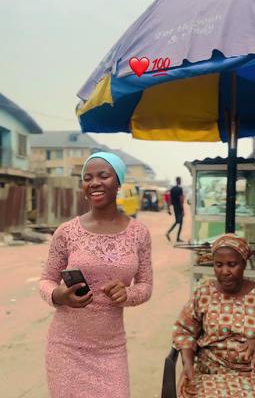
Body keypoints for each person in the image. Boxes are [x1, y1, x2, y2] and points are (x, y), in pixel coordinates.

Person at [39, 151, 153, 398]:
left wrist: (128, 294)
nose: (94, 183)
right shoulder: (66, 232)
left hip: (111, 348)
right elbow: (46, 280)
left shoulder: (139, 233)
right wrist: (58, 295)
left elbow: (145, 285)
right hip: (66, 347)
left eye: (104, 176)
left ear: (119, 182)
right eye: (88, 177)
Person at [173, 234, 255, 398]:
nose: (224, 271)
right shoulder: (203, 293)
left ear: (244, 264)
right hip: (210, 375)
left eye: (232, 264)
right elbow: (184, 331)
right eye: (218, 265)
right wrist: (187, 364)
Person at [166, 176, 184, 243]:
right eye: (180, 180)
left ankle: (177, 237)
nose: (180, 181)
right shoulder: (180, 189)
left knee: (179, 222)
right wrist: (183, 210)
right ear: (179, 181)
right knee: (179, 222)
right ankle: (170, 234)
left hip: (175, 207)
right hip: (179, 207)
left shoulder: (172, 189)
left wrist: (168, 209)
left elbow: (170, 199)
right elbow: (181, 199)